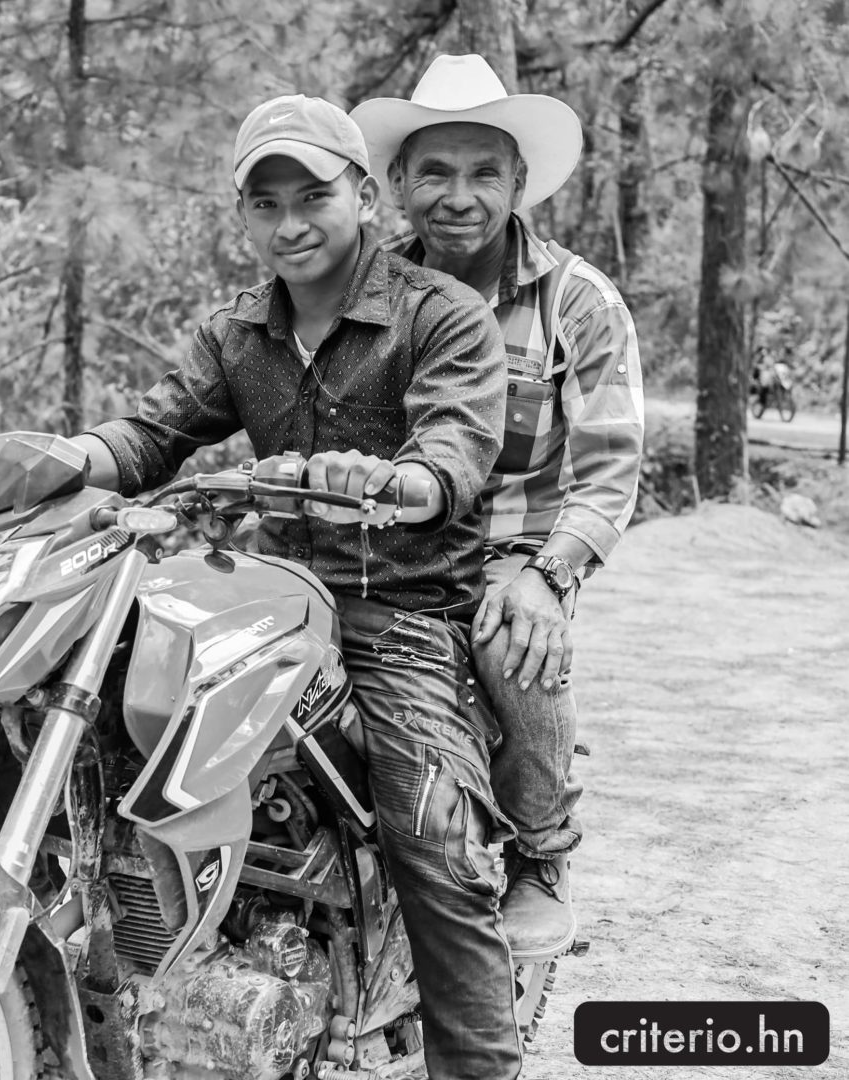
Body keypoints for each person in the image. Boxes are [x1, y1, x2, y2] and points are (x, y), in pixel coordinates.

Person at [0, 94, 522, 1080]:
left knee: (433, 842)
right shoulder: (239, 332)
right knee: (15, 722)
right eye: (266, 203)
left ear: (364, 199)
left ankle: (480, 1064)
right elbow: (150, 436)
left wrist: (394, 480)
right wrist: (46, 457)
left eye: (313, 197)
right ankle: (93, 939)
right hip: (265, 589)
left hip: (399, 613)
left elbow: (455, 451)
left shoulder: (439, 316)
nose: (291, 223)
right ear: (243, 213)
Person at [352, 54, 646, 961]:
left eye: (484, 172)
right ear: (398, 182)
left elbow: (609, 469)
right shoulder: (366, 292)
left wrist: (547, 575)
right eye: (434, 171)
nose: (458, 196)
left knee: (510, 637)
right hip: (384, 547)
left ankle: (542, 854)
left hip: (514, 551)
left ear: (519, 183)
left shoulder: (577, 302)